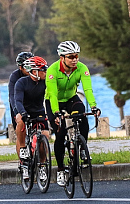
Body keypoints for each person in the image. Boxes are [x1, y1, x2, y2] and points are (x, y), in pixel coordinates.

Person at [45, 41, 100, 187]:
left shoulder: (82, 68)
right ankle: (61, 170)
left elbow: (87, 89)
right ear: (62, 57)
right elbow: (53, 94)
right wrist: (56, 113)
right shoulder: (52, 70)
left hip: (71, 99)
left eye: (77, 56)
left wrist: (94, 106)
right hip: (53, 101)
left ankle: (81, 148)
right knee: (60, 133)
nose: (75, 59)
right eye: (71, 56)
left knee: (82, 118)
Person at [13, 56, 50, 179]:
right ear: (34, 72)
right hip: (25, 111)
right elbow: (17, 100)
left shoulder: (46, 82)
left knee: (45, 136)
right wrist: (22, 113)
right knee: (20, 122)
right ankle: (23, 148)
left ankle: (42, 166)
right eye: (43, 70)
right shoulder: (21, 82)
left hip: (39, 111)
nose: (46, 72)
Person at [8, 51, 34, 130]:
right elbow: (12, 96)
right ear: (20, 67)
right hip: (18, 102)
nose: (30, 69)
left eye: (32, 65)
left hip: (33, 102)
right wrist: (17, 112)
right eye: (27, 66)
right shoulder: (15, 76)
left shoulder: (36, 74)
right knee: (20, 128)